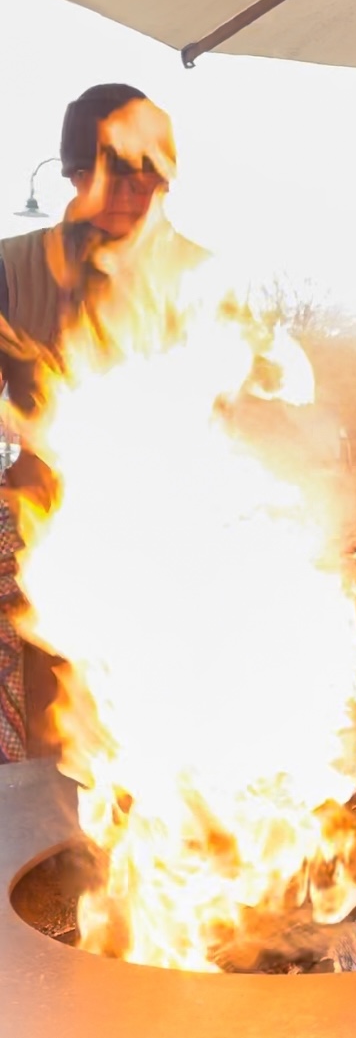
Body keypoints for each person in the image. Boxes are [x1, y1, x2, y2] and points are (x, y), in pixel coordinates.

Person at [0, 83, 173, 761]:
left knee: (152, 743)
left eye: (150, 180)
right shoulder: (14, 271)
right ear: (74, 177)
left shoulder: (187, 280)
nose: (135, 200)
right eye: (117, 180)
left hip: (160, 541)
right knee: (56, 743)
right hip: (51, 547)